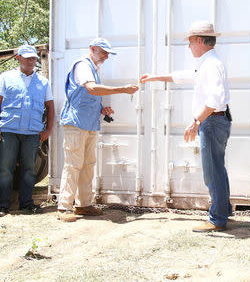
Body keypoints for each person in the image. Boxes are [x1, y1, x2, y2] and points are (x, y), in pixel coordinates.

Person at [140, 21, 232, 232]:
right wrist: (154, 77)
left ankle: (217, 219)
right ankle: (223, 211)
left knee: (212, 172)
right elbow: (182, 76)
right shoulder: (207, 63)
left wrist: (196, 120)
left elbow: (215, 99)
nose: (188, 47)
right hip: (215, 120)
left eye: (190, 42)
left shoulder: (210, 65)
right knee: (218, 169)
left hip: (212, 121)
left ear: (200, 41)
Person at [57, 38, 138, 222]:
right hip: (76, 123)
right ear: (92, 49)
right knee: (73, 164)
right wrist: (122, 89)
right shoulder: (83, 66)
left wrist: (101, 109)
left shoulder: (94, 68)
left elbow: (88, 94)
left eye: (108, 53)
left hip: (89, 123)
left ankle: (84, 204)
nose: (106, 56)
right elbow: (91, 89)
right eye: (103, 52)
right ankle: (64, 207)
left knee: (88, 164)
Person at [0, 45, 55, 216]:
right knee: (5, 169)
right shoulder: (5, 78)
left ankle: (26, 204)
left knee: (29, 170)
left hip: (32, 133)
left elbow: (50, 107)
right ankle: (3, 205)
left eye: (34, 58)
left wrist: (48, 130)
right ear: (18, 58)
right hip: (9, 130)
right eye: (28, 58)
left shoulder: (43, 82)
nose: (32, 61)